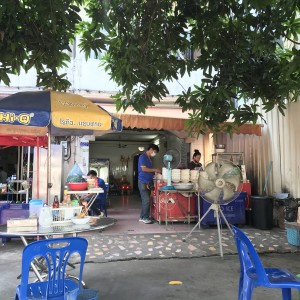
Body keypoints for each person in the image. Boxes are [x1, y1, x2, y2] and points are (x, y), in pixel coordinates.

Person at [138, 143, 161, 224]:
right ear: (151, 149)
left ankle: (142, 216)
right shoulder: (143, 157)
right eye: (154, 151)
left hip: (148, 181)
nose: (154, 153)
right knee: (146, 200)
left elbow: (149, 170)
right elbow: (144, 169)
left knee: (146, 200)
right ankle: (145, 217)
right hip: (143, 181)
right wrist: (155, 170)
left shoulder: (149, 158)